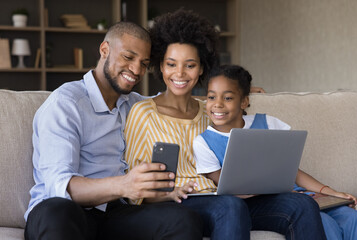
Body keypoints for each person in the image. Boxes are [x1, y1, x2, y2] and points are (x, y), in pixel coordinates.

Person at [125, 9, 326, 240]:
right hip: (177, 204)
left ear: (201, 69)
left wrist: (239, 92)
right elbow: (134, 186)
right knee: (230, 207)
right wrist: (167, 194)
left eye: (190, 65)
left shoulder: (210, 111)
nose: (179, 73)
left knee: (301, 205)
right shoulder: (143, 112)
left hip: (226, 200)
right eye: (171, 64)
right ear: (161, 67)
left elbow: (225, 105)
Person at [24, 21, 204, 240]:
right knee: (58, 212)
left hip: (115, 213)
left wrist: (230, 93)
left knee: (183, 220)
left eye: (144, 63)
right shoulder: (66, 103)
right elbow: (61, 187)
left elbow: (174, 99)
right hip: (65, 214)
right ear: (104, 50)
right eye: (128, 57)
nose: (136, 70)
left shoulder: (135, 105)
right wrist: (125, 185)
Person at [193, 64, 357, 240]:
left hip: (300, 196)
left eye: (227, 98)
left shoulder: (268, 123)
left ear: (244, 101)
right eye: (211, 97)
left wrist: (331, 192)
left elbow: (293, 172)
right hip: (259, 204)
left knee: (352, 217)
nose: (217, 104)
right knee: (325, 222)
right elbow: (229, 188)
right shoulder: (204, 142)